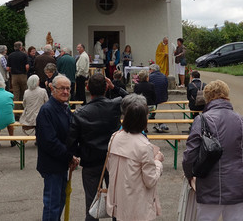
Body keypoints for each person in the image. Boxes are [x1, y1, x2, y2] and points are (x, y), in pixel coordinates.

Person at [182, 80, 243, 220]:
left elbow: (190, 155)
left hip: (209, 185)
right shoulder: (241, 120)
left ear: (207, 97)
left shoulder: (202, 120)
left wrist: (190, 175)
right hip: (238, 185)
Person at [68, 73, 124, 221]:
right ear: (106, 87)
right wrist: (115, 87)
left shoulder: (80, 112)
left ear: (87, 88)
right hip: (113, 159)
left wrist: (80, 153)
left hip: (91, 161)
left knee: (92, 205)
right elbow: (136, 100)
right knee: (117, 203)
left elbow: (71, 141)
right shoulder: (115, 105)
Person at [106, 100, 164, 220]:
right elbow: (150, 180)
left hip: (118, 200)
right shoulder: (144, 145)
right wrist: (158, 162)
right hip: (137, 204)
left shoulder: (115, 137)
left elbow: (109, 166)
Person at [36, 75, 79, 221]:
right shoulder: (47, 110)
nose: (66, 92)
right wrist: (69, 156)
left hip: (62, 163)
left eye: (68, 88)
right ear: (53, 89)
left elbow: (70, 135)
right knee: (52, 204)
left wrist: (73, 155)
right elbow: (49, 141)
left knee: (60, 200)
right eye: (62, 88)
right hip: (52, 165)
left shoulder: (65, 108)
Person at [148, 64, 169, 132]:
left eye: (149, 69)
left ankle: (151, 114)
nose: (149, 71)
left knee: (149, 97)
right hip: (163, 97)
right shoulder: (164, 76)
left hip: (154, 98)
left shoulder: (150, 77)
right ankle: (152, 114)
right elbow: (166, 86)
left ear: (152, 70)